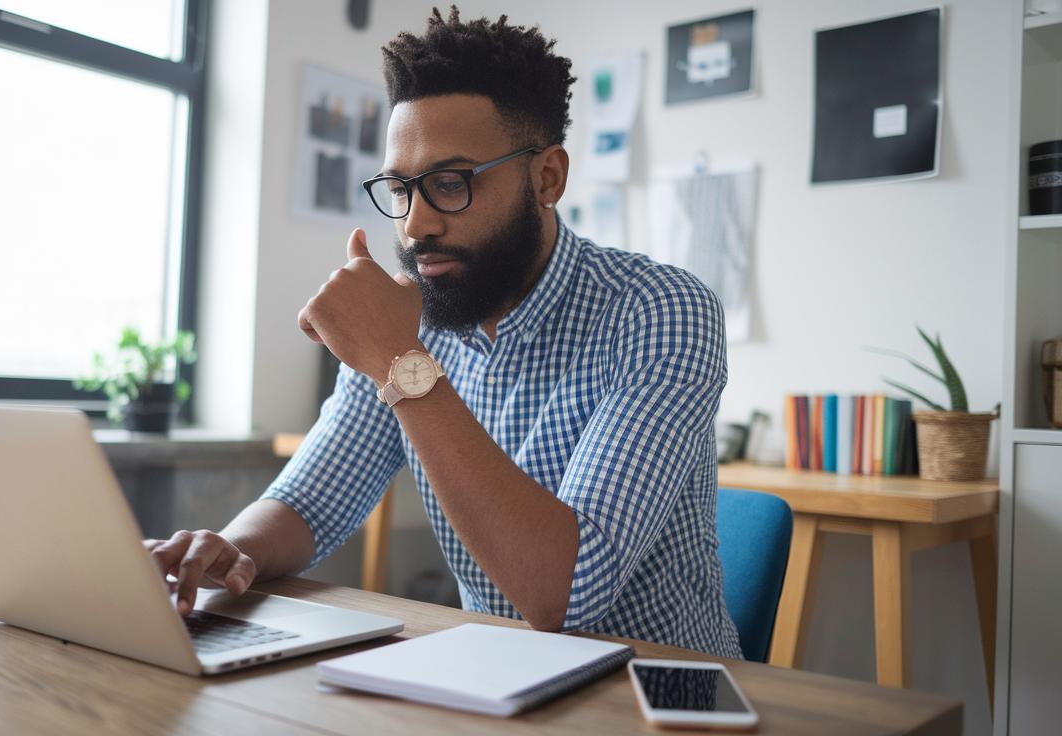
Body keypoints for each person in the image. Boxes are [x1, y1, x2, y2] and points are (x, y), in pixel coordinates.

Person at [145, 6, 742, 659]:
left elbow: (567, 597)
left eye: (450, 184)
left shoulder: (661, 310)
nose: (415, 224)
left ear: (547, 177)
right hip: (494, 680)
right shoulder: (416, 319)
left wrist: (402, 362)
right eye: (400, 189)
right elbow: (310, 501)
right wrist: (225, 551)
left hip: (651, 695)